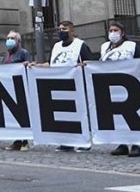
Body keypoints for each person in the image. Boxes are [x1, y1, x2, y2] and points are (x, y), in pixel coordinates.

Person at [29, 21, 93, 152]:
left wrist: (81, 67)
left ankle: (84, 141)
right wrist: (38, 66)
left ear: (72, 31)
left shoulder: (80, 45)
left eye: (64, 29)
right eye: (59, 29)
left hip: (76, 84)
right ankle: (67, 141)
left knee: (81, 114)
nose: (61, 31)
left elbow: (89, 62)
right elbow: (52, 64)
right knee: (64, 114)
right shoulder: (57, 46)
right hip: (59, 84)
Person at [100, 21, 140, 157]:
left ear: (122, 33)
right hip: (112, 85)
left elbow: (139, 62)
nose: (113, 33)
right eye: (111, 30)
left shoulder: (131, 46)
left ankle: (136, 144)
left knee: (133, 117)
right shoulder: (104, 47)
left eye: (116, 30)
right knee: (117, 117)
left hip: (130, 83)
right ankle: (122, 143)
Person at [2, 31, 32, 151]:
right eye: (8, 38)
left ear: (18, 40)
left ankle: (25, 141)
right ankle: (16, 140)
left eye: (12, 38)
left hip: (20, 87)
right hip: (9, 87)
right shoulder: (6, 54)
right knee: (13, 116)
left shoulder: (23, 53)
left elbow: (28, 66)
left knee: (22, 115)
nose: (9, 40)